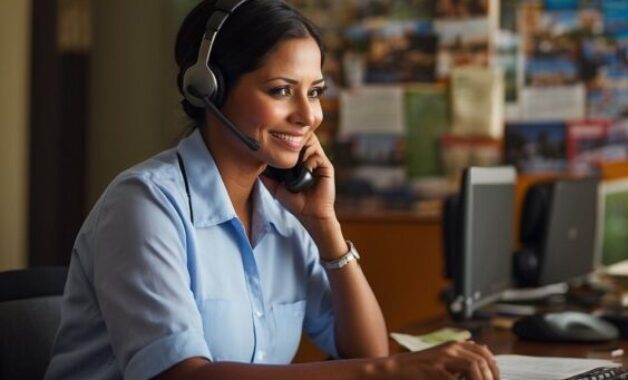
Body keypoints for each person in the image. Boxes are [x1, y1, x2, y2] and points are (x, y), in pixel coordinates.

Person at [44, 1, 499, 379]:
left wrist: (326, 228)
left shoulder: (286, 210)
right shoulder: (145, 205)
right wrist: (389, 371)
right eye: (282, 91)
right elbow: (183, 376)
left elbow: (366, 348)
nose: (309, 116)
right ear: (210, 89)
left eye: (315, 91)